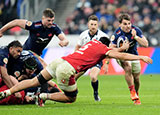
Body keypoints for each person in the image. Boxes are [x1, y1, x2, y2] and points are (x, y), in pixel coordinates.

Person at [0, 37, 152, 106]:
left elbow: (111, 51)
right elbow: (120, 55)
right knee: (71, 97)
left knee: (34, 81)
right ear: (107, 46)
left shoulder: (92, 43)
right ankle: (43, 96)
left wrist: (118, 48)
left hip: (59, 61)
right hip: (66, 70)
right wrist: (140, 57)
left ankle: (7, 92)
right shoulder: (104, 49)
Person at [110, 13, 149, 105]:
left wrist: (135, 37)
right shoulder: (116, 34)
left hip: (134, 55)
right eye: (125, 24)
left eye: (129, 23)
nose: (128, 26)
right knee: (127, 67)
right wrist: (121, 49)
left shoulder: (136, 30)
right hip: (122, 56)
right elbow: (111, 49)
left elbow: (146, 44)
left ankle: (136, 93)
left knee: (137, 79)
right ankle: (132, 92)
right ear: (120, 24)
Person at [0, 8, 69, 57]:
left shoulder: (54, 28)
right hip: (26, 52)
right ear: (43, 18)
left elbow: (65, 39)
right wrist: (1, 31)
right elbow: (16, 22)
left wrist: (64, 42)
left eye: (52, 20)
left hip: (37, 55)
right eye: (49, 20)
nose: (51, 23)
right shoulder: (34, 26)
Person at [74, 15, 109, 101]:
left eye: (95, 25)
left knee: (93, 77)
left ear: (98, 25)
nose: (93, 26)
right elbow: (78, 46)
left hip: (96, 60)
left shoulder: (103, 36)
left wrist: (106, 63)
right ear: (88, 25)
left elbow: (108, 51)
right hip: (84, 60)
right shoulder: (83, 35)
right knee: (73, 78)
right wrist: (75, 58)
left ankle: (96, 93)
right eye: (91, 24)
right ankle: (73, 93)